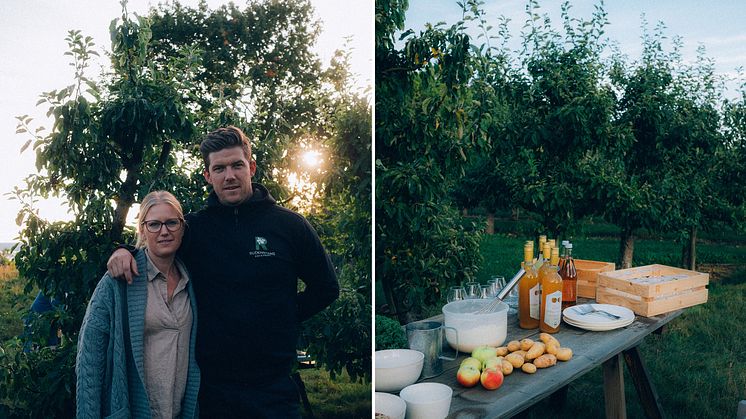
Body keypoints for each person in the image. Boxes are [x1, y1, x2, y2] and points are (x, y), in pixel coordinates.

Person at [107, 126, 340, 418]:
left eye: (236, 165)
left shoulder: (290, 226)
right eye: (219, 168)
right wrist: (122, 251)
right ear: (208, 176)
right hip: (212, 392)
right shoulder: (194, 229)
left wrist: (281, 315)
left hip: (275, 389)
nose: (229, 175)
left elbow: (327, 288)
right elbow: (156, 241)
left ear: (251, 167)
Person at [77, 191, 200, 419]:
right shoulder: (118, 281)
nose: (164, 231)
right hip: (132, 412)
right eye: (154, 224)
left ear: (182, 227)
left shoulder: (191, 280)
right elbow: (89, 361)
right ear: (142, 230)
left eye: (172, 223)